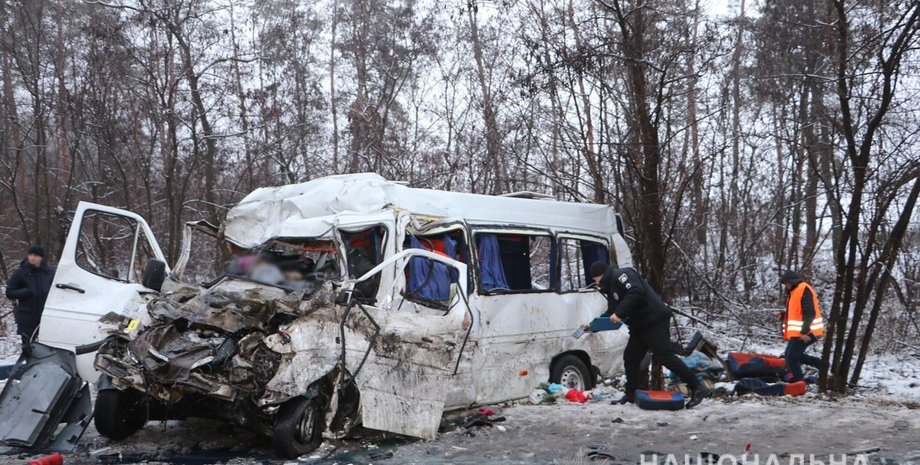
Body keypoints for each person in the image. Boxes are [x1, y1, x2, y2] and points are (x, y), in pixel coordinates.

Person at [583, 262, 711, 409]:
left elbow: (636, 292)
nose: (596, 283)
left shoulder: (622, 275)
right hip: (639, 326)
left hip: (654, 320)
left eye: (596, 279)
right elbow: (612, 312)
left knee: (665, 356)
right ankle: (630, 394)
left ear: (602, 275)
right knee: (630, 357)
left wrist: (619, 313)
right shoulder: (611, 289)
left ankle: (698, 387)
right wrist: (593, 326)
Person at [4, 245, 56, 352]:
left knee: (46, 349)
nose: (32, 258)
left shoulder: (49, 273)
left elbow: (55, 291)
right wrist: (26, 292)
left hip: (45, 316)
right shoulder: (21, 272)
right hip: (27, 317)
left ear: (41, 257)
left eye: (35, 255)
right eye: (30, 255)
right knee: (28, 350)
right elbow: (9, 292)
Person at [779, 270, 825, 382]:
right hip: (800, 332)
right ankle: (825, 366)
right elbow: (797, 313)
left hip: (807, 332)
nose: (786, 286)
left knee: (791, 357)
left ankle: (798, 383)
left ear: (792, 281)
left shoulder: (803, 289)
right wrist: (783, 316)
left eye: (787, 283)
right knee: (791, 356)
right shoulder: (794, 292)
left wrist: (805, 332)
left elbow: (809, 312)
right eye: (785, 284)